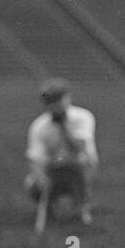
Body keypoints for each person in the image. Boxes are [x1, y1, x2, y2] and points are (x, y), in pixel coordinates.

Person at [25, 78, 98, 229]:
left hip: (79, 167)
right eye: (50, 101)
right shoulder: (39, 126)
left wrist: (63, 126)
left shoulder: (83, 117)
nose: (55, 105)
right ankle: (51, 209)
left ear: (67, 98)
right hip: (53, 169)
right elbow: (35, 157)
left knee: (80, 168)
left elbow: (79, 148)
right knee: (32, 185)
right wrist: (40, 176)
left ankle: (82, 209)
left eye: (58, 100)